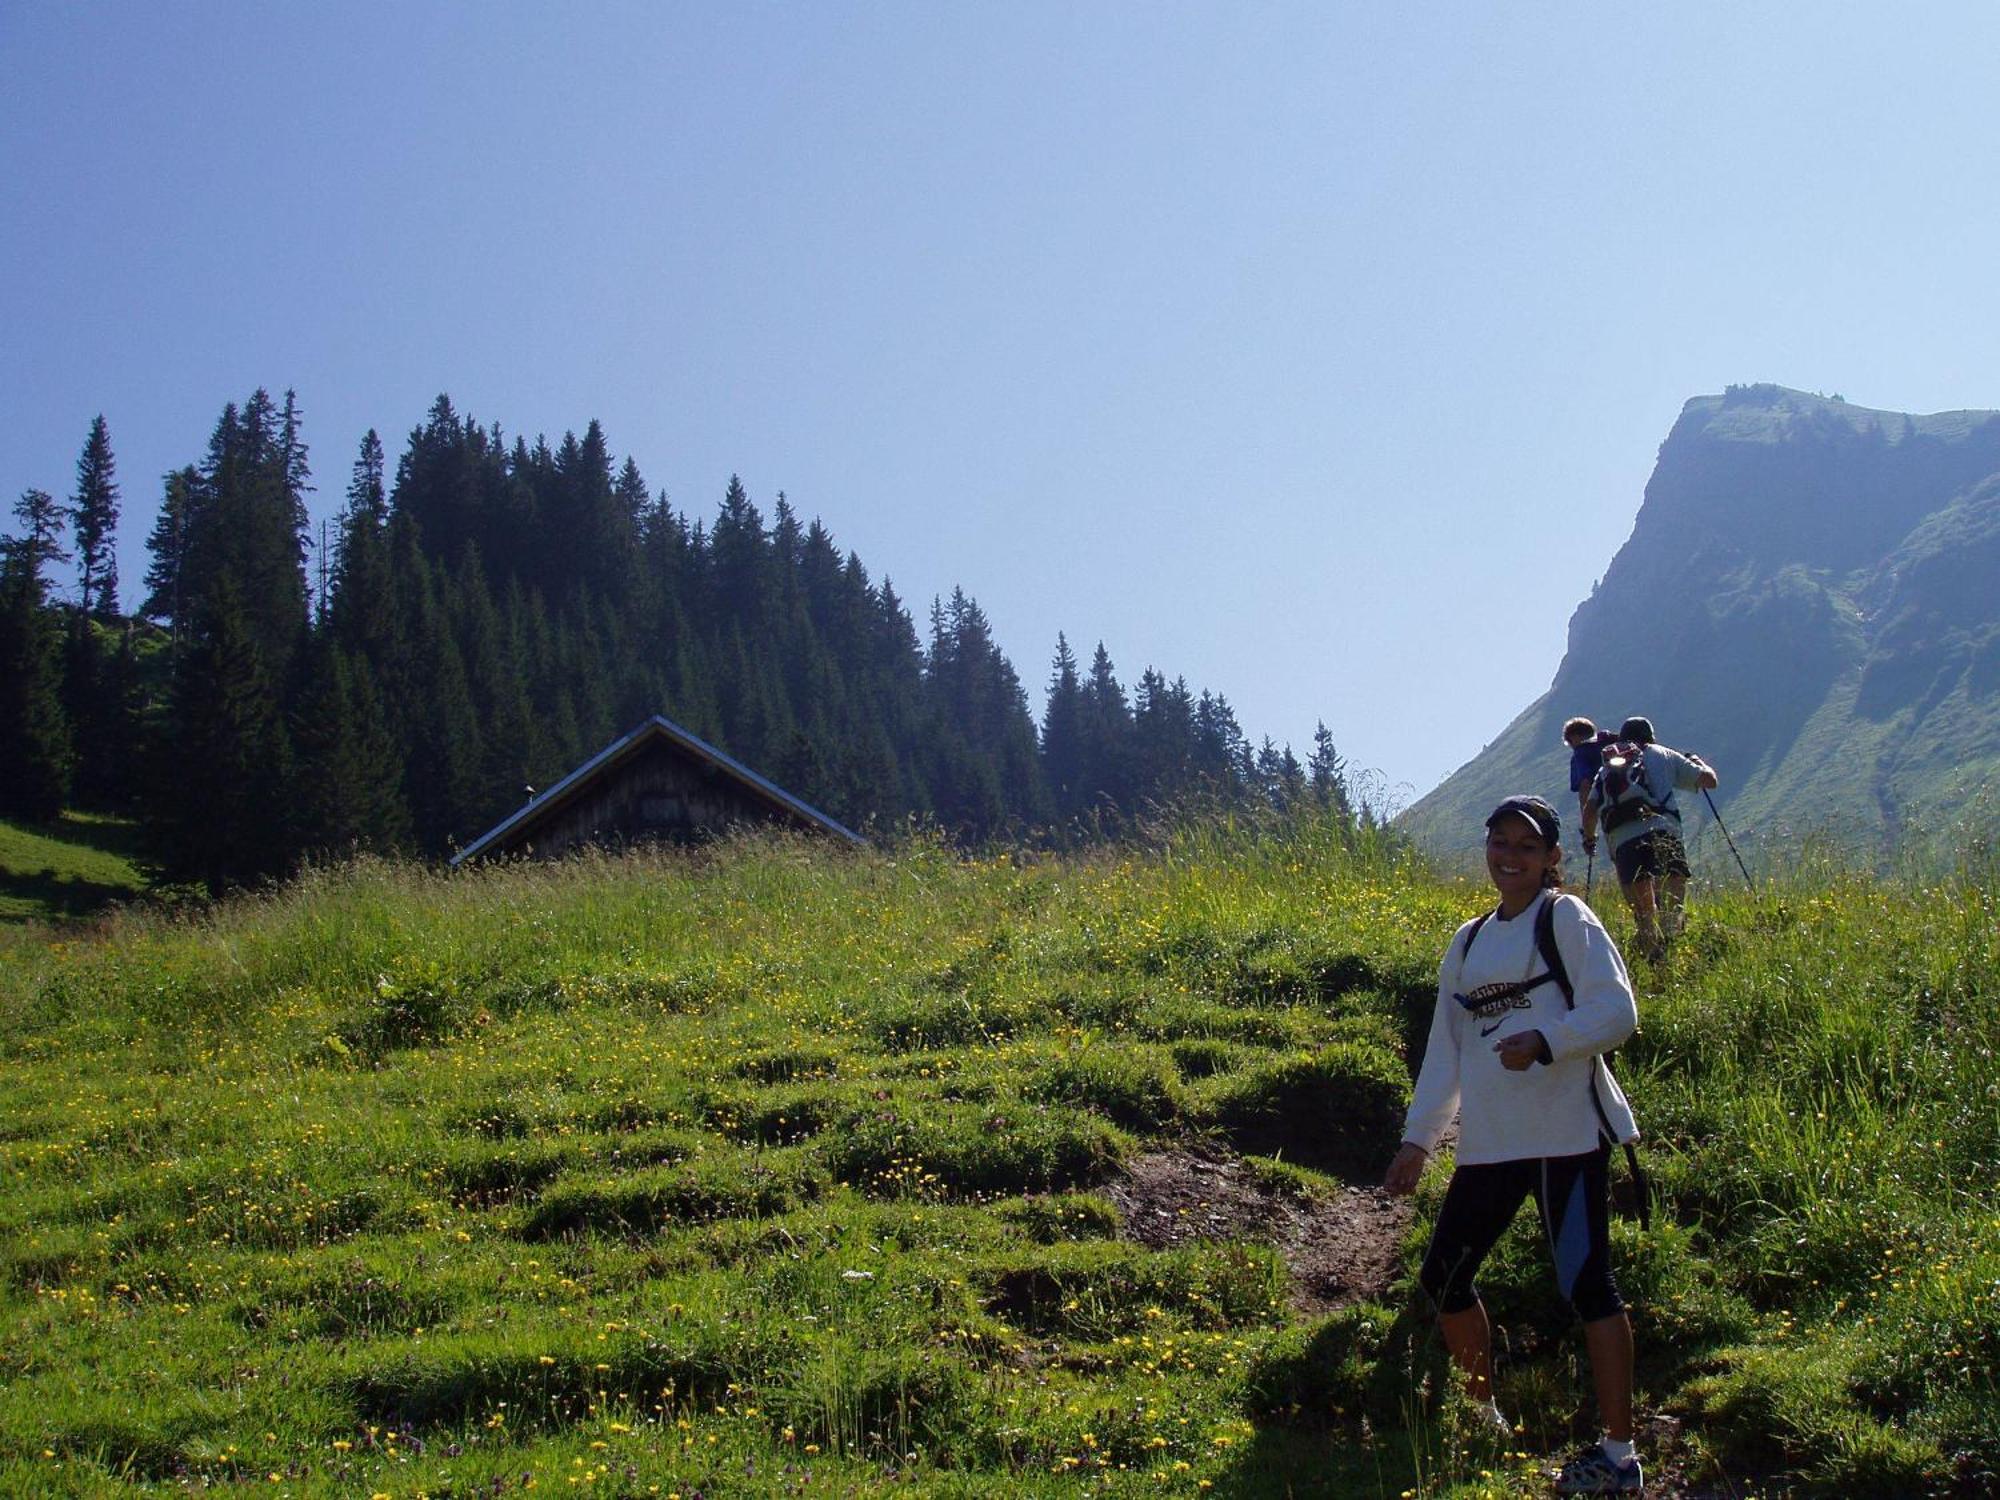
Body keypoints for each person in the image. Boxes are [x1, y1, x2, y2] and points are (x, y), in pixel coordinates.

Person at [1384, 794, 1645, 1495]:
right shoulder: (1467, 941)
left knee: (1588, 1286)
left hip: (1566, 1139)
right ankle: (1483, 1414)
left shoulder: (1566, 918)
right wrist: (1419, 1140)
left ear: (1552, 859)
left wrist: (1549, 1041)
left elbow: (1618, 1011)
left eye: (1526, 847)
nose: (1510, 856)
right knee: (1444, 1280)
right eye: (1499, 842)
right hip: (1491, 1146)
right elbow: (1446, 1048)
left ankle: (1620, 1457)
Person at [1580, 716, 1718, 960]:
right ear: (1651, 737)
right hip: (1663, 830)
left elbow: (1590, 810)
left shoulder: (1607, 767)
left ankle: (1651, 961)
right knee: (1671, 908)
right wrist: (1696, 762)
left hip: (1624, 842)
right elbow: (1709, 781)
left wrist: (1589, 840)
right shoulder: (1661, 753)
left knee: (1644, 915)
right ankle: (1673, 956)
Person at [1563, 717, 1617, 828]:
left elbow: (1585, 786)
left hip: (1612, 812)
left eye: (1569, 742)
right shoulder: (1611, 740)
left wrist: (1587, 827)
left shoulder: (1580, 753)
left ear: (1574, 737)